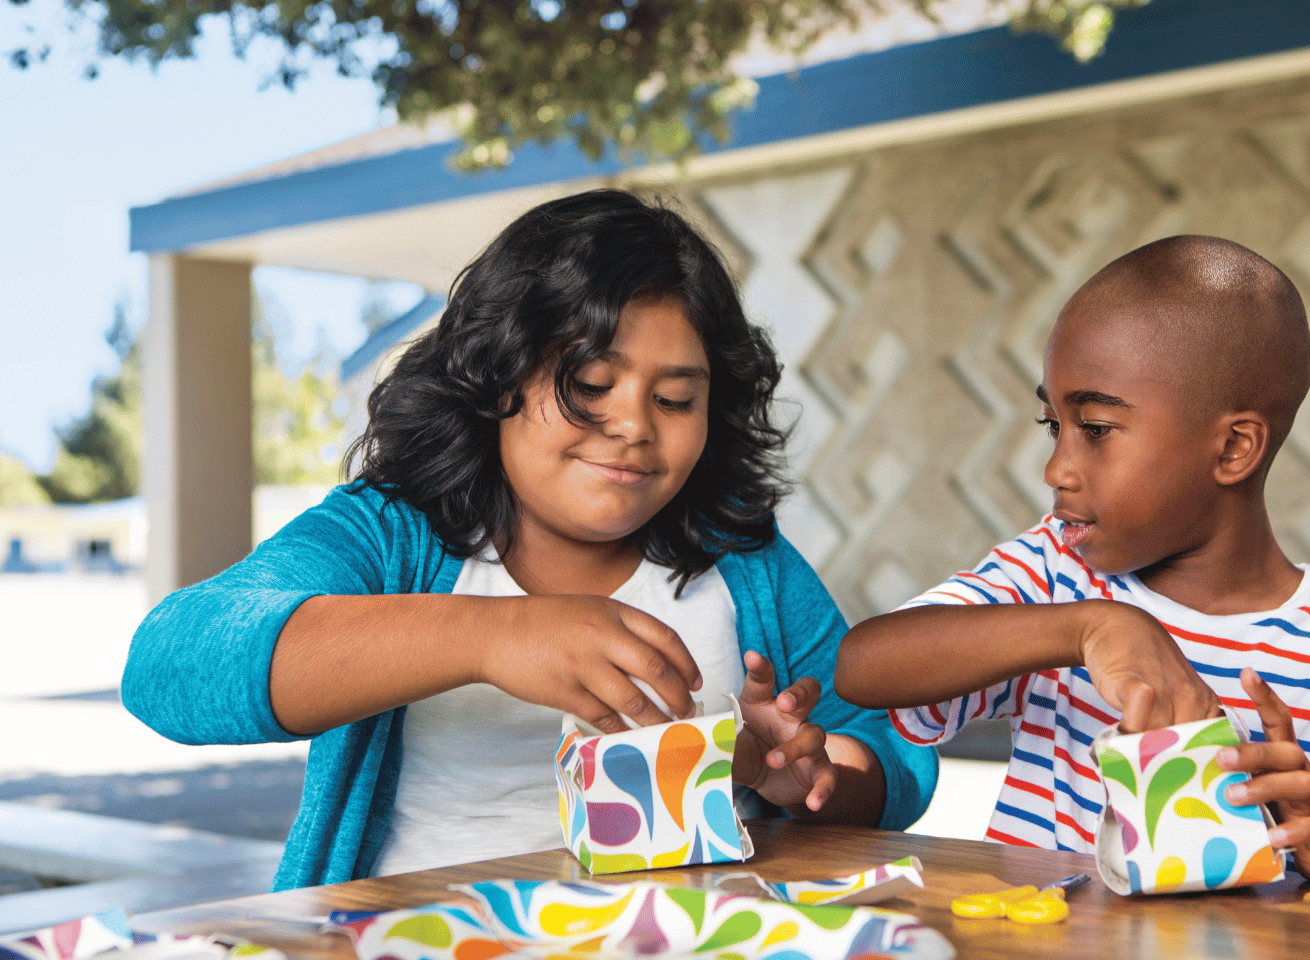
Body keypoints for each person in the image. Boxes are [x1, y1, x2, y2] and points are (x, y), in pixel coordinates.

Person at [123, 189, 936, 890]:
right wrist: (493, 635)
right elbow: (170, 663)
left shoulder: (744, 563)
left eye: (677, 399)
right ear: (497, 372)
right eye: (589, 383)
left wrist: (809, 779)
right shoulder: (391, 533)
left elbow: (890, 756)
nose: (632, 426)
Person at [835, 235, 1310, 892]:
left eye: (1094, 428)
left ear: (1235, 447)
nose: (1056, 469)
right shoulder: (1056, 574)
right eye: (1052, 425)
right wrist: (1090, 627)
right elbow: (864, 667)